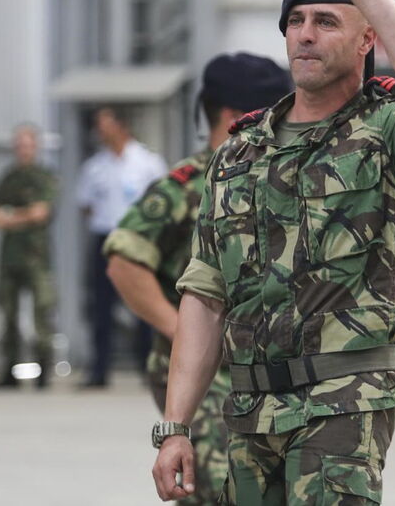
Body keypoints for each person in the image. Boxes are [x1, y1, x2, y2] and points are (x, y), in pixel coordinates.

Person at [152, 0, 395, 505]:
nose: (306, 35)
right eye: (296, 22)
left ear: (366, 40)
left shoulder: (389, 133)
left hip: (341, 404)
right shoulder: (238, 153)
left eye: (327, 21)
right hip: (247, 411)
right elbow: (205, 294)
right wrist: (174, 427)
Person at [104, 53, 292, 504]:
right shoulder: (189, 185)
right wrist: (179, 331)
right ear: (233, 116)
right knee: (215, 479)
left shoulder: (275, 174)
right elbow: (123, 260)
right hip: (205, 376)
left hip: (258, 366)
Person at [76, 106, 167, 387]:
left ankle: (148, 368)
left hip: (139, 240)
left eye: (106, 124)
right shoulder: (94, 167)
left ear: (121, 125)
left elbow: (163, 200)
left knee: (143, 305)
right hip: (105, 239)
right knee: (100, 308)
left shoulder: (147, 162)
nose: (101, 131)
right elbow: (85, 206)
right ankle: (99, 371)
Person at [0, 123, 59, 389]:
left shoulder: (44, 178)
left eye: (28, 144)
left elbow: (41, 212)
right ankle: (10, 368)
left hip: (37, 257)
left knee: (42, 311)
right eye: (19, 144)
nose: (23, 149)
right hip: (10, 257)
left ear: (36, 146)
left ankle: (43, 368)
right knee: (8, 313)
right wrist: (23, 216)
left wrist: (12, 216)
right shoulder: (8, 179)